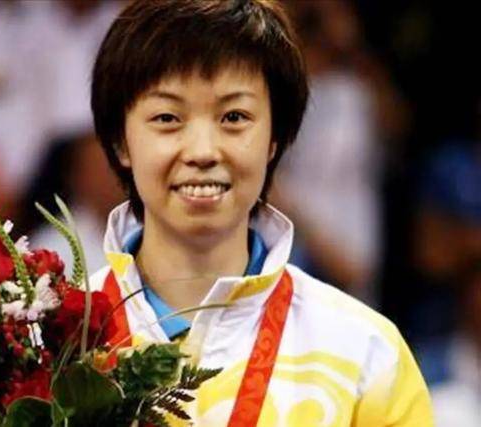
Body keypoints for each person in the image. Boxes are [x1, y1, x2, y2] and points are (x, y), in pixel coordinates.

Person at [88, 1, 433, 425]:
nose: (203, 151)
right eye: (167, 117)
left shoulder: (366, 354)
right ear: (121, 141)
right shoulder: (44, 341)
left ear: (274, 139)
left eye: (234, 117)